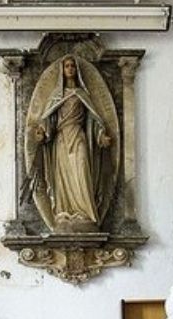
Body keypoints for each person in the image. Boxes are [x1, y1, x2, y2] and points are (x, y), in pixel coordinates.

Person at [27, 54, 113, 233]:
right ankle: (63, 213)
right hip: (61, 140)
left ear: (76, 70)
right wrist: (42, 131)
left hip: (79, 137)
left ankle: (86, 214)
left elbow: (93, 120)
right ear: (62, 71)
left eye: (72, 66)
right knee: (63, 178)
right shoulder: (56, 97)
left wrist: (100, 137)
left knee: (81, 169)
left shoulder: (83, 95)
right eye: (67, 66)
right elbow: (47, 119)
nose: (70, 69)